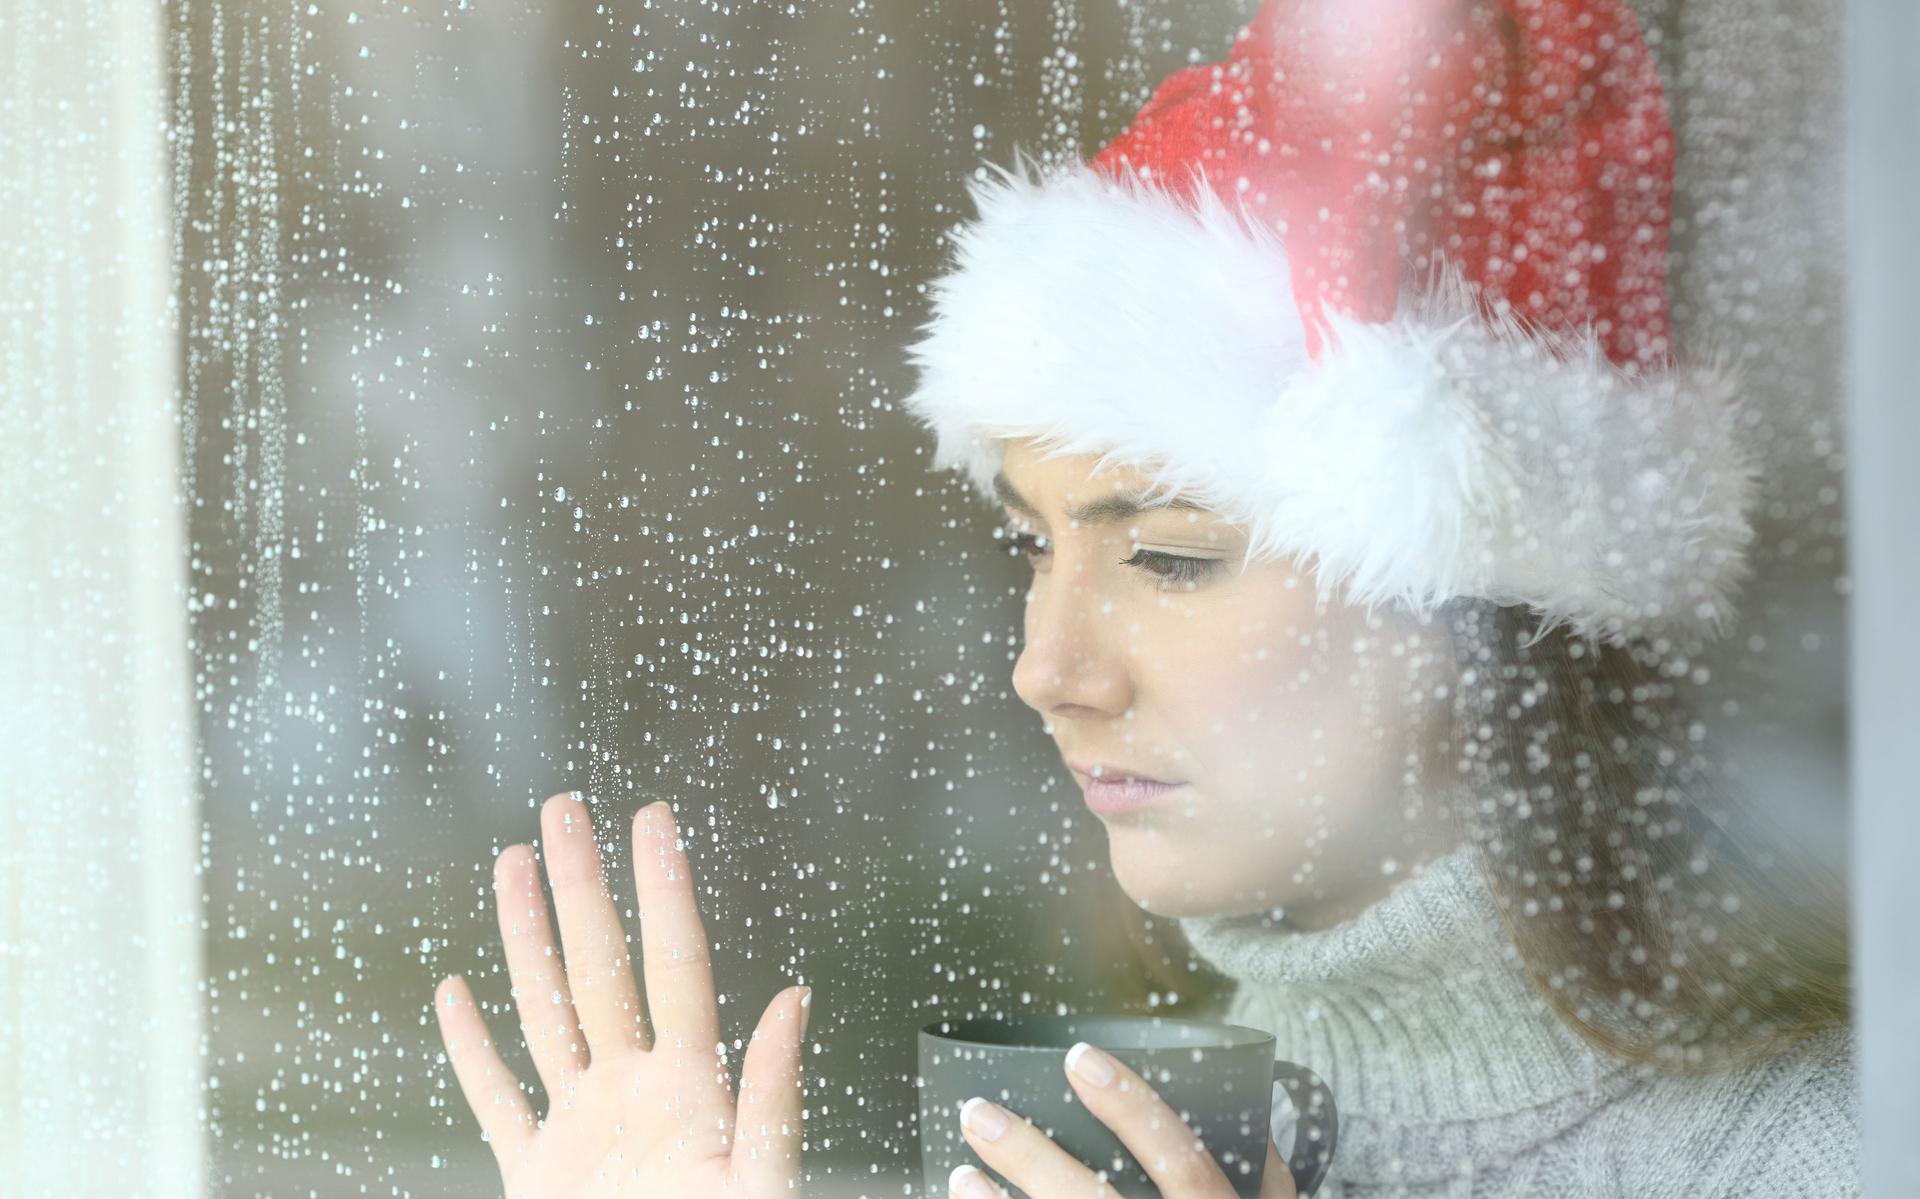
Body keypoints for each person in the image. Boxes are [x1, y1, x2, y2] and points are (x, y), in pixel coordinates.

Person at [434, 0, 1857, 1195]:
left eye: (1169, 555)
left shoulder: (1821, 1153)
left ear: (1466, 606)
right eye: (1030, 546)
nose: (1047, 670)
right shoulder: (1097, 1134)